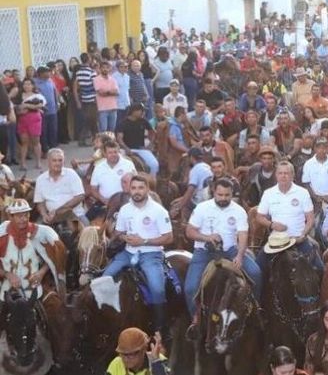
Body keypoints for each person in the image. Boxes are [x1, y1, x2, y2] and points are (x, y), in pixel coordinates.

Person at [184, 178, 262, 337]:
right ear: (214, 192)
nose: (223, 198)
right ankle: (196, 318)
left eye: (227, 195)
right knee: (190, 287)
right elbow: (189, 231)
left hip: (230, 250)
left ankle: (255, 308)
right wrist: (207, 237)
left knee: (255, 273)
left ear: (232, 194)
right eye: (220, 195)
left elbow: (243, 235)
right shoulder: (202, 208)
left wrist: (240, 255)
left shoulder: (238, 210)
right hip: (204, 252)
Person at [103, 175, 173, 333]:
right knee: (104, 278)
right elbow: (118, 232)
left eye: (141, 188)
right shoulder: (125, 209)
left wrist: (144, 241)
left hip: (151, 254)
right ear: (129, 189)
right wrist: (124, 237)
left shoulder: (158, 210)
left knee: (157, 289)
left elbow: (169, 237)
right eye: (134, 188)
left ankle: (160, 328)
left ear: (147, 189)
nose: (137, 191)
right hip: (128, 253)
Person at [255, 161, 323, 276]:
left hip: (298, 240)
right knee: (258, 269)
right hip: (276, 241)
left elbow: (310, 218)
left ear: (292, 175)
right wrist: (272, 225)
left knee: (320, 269)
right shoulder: (268, 193)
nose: (283, 176)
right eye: (280, 173)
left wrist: (303, 234)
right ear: (276, 175)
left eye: (286, 173)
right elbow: (259, 217)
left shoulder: (302, 193)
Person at [0, 198, 65, 299]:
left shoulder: (40, 234)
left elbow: (53, 258)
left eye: (26, 215)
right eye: (19, 216)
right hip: (6, 293)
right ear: (11, 217)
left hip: (35, 292)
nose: (24, 219)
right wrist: (7, 274)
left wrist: (41, 273)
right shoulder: (2, 235)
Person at [89, 140, 137, 207]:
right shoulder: (98, 167)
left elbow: (136, 183)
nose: (113, 155)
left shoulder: (128, 164)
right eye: (110, 153)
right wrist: (103, 200)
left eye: (115, 152)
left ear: (119, 152)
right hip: (104, 203)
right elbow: (93, 189)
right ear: (105, 154)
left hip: (125, 202)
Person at [115, 103, 159, 176]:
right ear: (134, 111)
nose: (143, 113)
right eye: (141, 111)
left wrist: (151, 144)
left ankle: (152, 180)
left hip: (141, 149)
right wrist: (126, 148)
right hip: (125, 149)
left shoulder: (143, 121)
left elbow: (153, 132)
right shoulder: (123, 123)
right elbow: (119, 139)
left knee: (154, 164)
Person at [15, 78, 46, 170]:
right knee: (24, 142)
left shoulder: (37, 96)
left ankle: (38, 162)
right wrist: (23, 110)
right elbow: (17, 108)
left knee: (36, 141)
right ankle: (23, 163)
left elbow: (40, 105)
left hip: (34, 119)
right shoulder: (19, 96)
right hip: (23, 119)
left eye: (29, 84)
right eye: (25, 84)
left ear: (32, 85)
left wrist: (27, 106)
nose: (27, 86)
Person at [302, 137, 328, 207]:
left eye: (324, 148)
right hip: (314, 200)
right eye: (319, 148)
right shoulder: (308, 164)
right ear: (315, 149)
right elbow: (306, 183)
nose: (322, 150)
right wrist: (315, 197)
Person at [73, 53, 98, 147]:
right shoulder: (92, 72)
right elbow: (96, 86)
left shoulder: (78, 72)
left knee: (89, 120)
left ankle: (91, 139)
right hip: (92, 99)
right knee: (92, 120)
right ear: (89, 59)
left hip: (84, 98)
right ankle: (89, 139)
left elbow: (77, 86)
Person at [34, 66, 59, 154]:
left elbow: (55, 92)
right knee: (43, 131)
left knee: (53, 129)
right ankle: (45, 149)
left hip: (52, 110)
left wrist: (57, 103)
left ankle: (54, 148)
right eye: (46, 72)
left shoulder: (50, 81)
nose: (49, 73)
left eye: (49, 71)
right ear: (40, 74)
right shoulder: (35, 83)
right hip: (42, 111)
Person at [94, 61, 120, 132]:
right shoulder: (96, 79)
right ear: (100, 69)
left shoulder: (113, 79)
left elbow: (117, 92)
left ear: (109, 69)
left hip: (113, 108)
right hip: (102, 109)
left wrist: (106, 92)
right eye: (103, 67)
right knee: (103, 130)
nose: (105, 69)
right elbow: (101, 93)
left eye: (107, 68)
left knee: (112, 130)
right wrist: (111, 92)